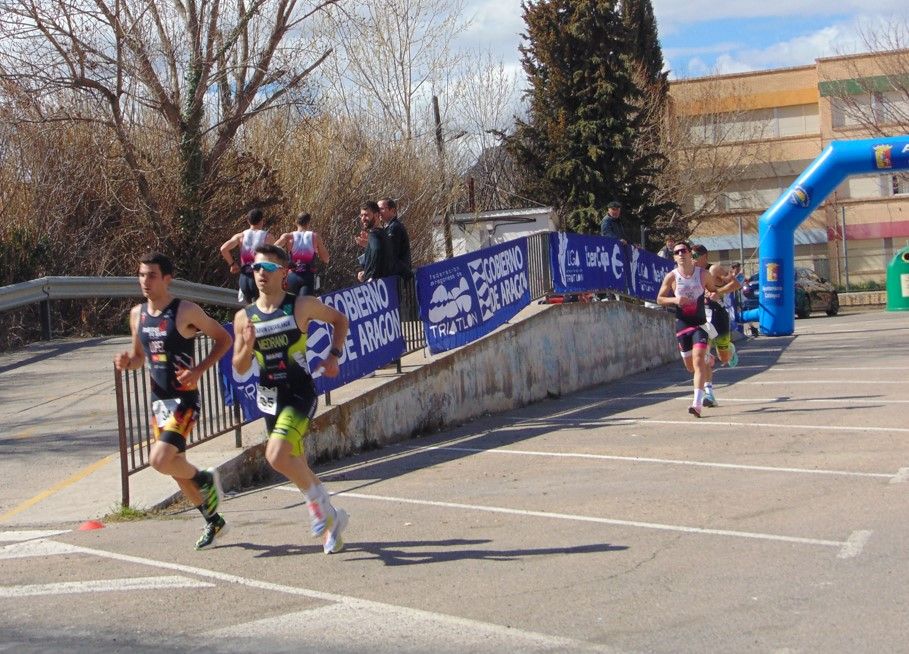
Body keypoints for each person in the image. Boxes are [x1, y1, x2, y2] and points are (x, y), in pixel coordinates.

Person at [232, 244, 351, 554]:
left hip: (299, 393)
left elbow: (340, 320)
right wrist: (246, 345)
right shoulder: (244, 318)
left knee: (276, 456)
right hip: (269, 397)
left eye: (268, 269)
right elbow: (240, 367)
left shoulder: (301, 306)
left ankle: (318, 508)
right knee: (294, 461)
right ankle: (333, 522)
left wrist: (334, 355)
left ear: (284, 273)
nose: (260, 274)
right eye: (255, 268)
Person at [114, 252, 233, 549]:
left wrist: (199, 370)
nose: (145, 281)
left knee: (160, 460)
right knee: (175, 469)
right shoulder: (136, 315)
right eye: (141, 275)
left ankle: (205, 478)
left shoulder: (185, 311)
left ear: (167, 279)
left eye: (152, 275)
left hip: (184, 401)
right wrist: (128, 362)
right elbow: (140, 358)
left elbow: (223, 339)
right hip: (158, 403)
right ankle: (213, 521)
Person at [657, 241, 718, 418]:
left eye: (684, 250)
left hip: (700, 323)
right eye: (677, 252)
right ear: (674, 258)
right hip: (682, 324)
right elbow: (660, 299)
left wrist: (713, 295)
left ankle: (697, 404)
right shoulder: (672, 276)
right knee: (691, 367)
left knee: (698, 362)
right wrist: (675, 300)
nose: (681, 254)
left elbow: (714, 292)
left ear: (691, 254)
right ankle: (709, 357)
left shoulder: (704, 274)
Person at [220, 208, 275, 303]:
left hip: (244, 278)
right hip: (259, 278)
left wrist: (232, 264)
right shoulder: (268, 237)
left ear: (248, 221)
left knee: (250, 311)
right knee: (260, 312)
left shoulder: (241, 236)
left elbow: (223, 248)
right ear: (262, 221)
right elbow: (273, 259)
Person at [275, 212, 330, 297]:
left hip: (292, 275)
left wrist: (282, 262)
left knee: (289, 306)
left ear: (296, 222)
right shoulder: (315, 237)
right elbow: (326, 259)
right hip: (307, 277)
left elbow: (271, 250)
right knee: (304, 307)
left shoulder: (288, 237)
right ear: (308, 223)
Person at [378, 197, 412, 281]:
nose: (379, 212)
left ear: (392, 210)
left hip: (399, 277)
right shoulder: (387, 227)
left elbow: (390, 254)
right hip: (395, 276)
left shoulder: (395, 228)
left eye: (381, 209)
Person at [355, 201, 386, 283]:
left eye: (366, 215)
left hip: (375, 284)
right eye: (361, 215)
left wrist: (369, 275)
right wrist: (368, 244)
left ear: (376, 215)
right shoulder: (384, 233)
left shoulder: (374, 234)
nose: (363, 219)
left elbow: (378, 252)